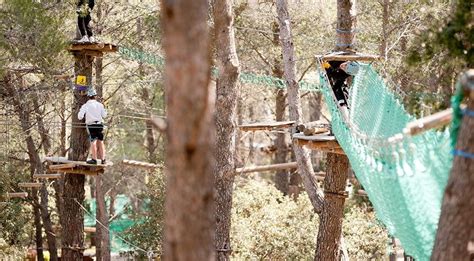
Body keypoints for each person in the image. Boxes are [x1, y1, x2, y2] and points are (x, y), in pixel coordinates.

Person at [78, 88, 107, 164]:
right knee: (101, 142)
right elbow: (104, 115)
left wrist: (85, 115)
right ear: (95, 96)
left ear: (88, 96)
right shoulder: (100, 105)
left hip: (91, 125)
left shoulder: (86, 105)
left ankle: (94, 159)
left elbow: (80, 116)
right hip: (100, 125)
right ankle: (103, 159)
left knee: (93, 142)